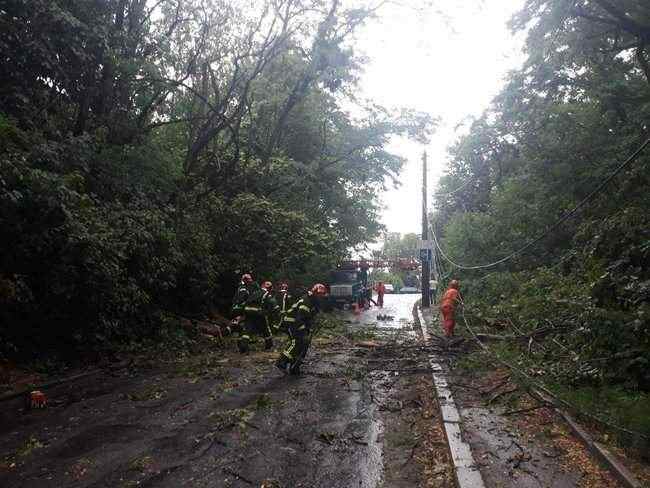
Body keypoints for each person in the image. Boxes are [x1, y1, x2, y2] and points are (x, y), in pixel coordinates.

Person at [276, 283, 328, 375]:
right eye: (320, 294)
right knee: (297, 342)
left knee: (303, 344)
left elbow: (309, 317)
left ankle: (294, 366)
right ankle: (282, 361)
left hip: (299, 322)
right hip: (292, 322)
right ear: (315, 293)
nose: (321, 297)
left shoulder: (313, 301)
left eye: (322, 295)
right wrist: (305, 328)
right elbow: (300, 317)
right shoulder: (307, 301)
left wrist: (310, 326)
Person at [237, 280, 279, 353]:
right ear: (270, 288)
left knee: (248, 329)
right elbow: (271, 303)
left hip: (248, 312)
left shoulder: (255, 292)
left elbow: (247, 301)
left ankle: (243, 346)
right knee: (265, 328)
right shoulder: (266, 293)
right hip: (258, 313)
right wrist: (273, 311)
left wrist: (243, 313)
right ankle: (269, 345)